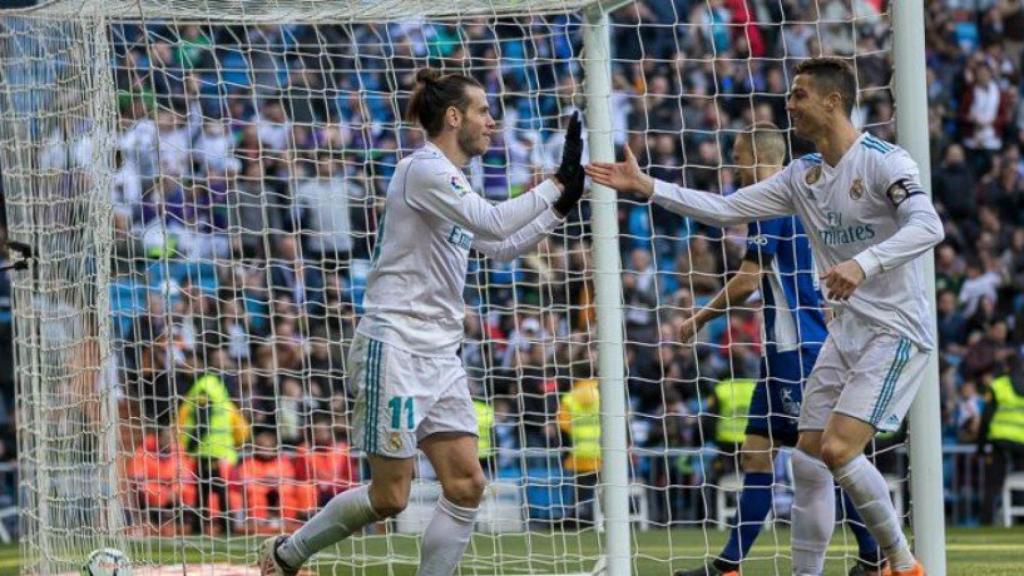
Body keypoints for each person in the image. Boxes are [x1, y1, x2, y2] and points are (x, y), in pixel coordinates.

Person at [586, 57, 944, 576]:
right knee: (810, 452)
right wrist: (650, 188)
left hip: (894, 330)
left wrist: (863, 264)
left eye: (799, 95)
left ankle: (902, 564)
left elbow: (928, 224)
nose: (789, 104)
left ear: (832, 101)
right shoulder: (802, 176)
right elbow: (726, 208)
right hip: (844, 333)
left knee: (838, 449)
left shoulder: (885, 162)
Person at [259, 67, 586, 576]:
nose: (492, 122)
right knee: (391, 497)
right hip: (394, 348)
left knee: (466, 485)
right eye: (482, 111)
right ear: (454, 117)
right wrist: (555, 185)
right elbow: (493, 221)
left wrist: (558, 208)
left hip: (440, 354)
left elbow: (498, 247)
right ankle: (288, 554)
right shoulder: (423, 169)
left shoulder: (454, 181)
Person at [672, 125, 882, 576]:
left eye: (736, 154)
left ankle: (874, 552)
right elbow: (765, 283)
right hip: (781, 351)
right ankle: (729, 564)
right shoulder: (804, 196)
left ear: (754, 154)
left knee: (830, 454)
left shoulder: (771, 199)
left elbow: (748, 279)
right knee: (756, 452)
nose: (731, 164)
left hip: (797, 349)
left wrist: (699, 319)